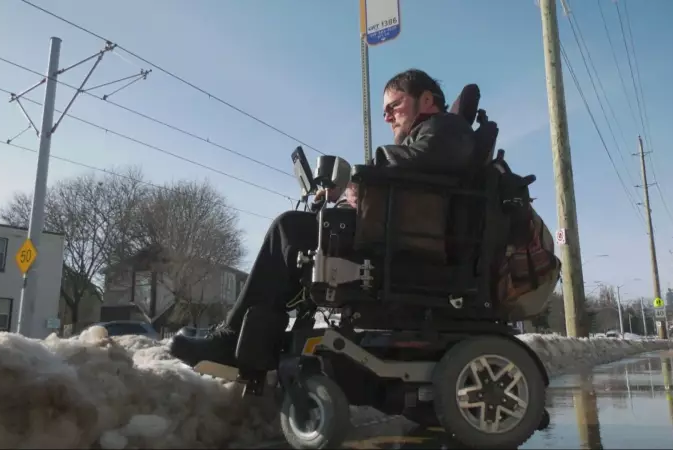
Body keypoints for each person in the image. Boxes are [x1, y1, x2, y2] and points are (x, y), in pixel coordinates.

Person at [169, 69, 475, 368]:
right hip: (397, 237)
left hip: (405, 247)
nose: (387, 117)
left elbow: (431, 157)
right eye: (384, 111)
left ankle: (234, 339)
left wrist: (366, 178)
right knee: (300, 236)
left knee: (288, 228)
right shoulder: (428, 134)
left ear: (426, 100)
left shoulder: (446, 127)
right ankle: (251, 342)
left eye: (395, 105)